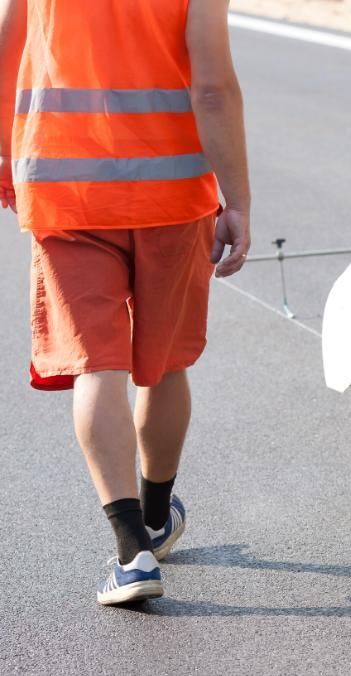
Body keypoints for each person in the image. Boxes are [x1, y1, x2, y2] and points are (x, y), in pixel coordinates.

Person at [0, 0, 251, 605]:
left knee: (98, 364)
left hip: (66, 187)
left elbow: (6, 49)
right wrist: (237, 198)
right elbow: (213, 87)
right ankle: (158, 515)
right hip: (172, 193)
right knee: (162, 364)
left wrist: (6, 156)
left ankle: (132, 552)